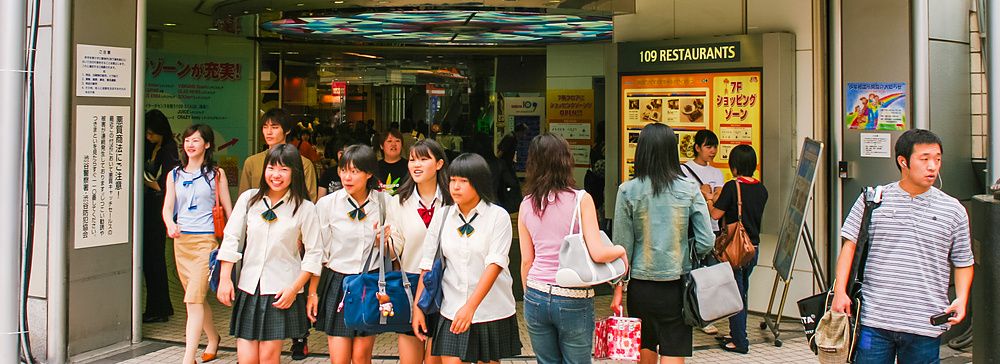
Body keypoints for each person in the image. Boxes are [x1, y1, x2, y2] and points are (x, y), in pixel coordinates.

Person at [831, 129, 974, 363]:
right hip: (874, 320)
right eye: (924, 158)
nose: (932, 166)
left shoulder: (953, 210)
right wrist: (840, 292)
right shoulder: (873, 199)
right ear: (903, 161)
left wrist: (961, 298)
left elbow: (963, 261)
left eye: (937, 159)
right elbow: (849, 247)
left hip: (925, 322)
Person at [518, 134, 627, 364]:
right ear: (566, 161)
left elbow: (527, 260)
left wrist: (530, 297)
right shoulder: (581, 200)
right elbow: (598, 252)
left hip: (535, 293)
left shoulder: (526, 203)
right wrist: (620, 250)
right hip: (572, 296)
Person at [612, 123, 714, 364]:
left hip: (640, 286)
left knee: (645, 344)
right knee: (673, 345)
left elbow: (622, 248)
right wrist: (687, 253)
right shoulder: (689, 188)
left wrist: (618, 286)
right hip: (677, 286)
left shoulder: (627, 190)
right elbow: (706, 240)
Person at [215, 144, 323, 364]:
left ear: (295, 172)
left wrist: (295, 290)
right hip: (248, 286)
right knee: (246, 359)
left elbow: (314, 254)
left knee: (268, 358)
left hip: (281, 291)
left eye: (284, 169)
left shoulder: (304, 207)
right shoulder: (249, 199)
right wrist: (224, 279)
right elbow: (231, 238)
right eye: (271, 168)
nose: (276, 175)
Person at [414, 153, 522, 364]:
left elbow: (495, 264)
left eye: (463, 181)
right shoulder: (442, 215)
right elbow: (428, 264)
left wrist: (470, 307)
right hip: (451, 308)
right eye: (453, 180)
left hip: (491, 310)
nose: (455, 186)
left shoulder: (497, 217)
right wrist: (418, 308)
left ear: (479, 183)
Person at [161, 124, 232, 363]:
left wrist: (234, 240)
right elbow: (168, 207)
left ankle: (187, 357)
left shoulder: (216, 174)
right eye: (187, 140)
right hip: (181, 242)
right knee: (196, 298)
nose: (190, 145)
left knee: (193, 299)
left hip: (205, 242)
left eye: (196, 140)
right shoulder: (174, 174)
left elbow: (228, 210)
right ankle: (213, 338)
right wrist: (170, 224)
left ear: (207, 145)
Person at [313, 144, 383, 364]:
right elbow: (318, 252)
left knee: (362, 357)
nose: (347, 177)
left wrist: (386, 241)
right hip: (337, 281)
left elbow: (396, 246)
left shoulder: (384, 203)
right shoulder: (326, 205)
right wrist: (312, 293)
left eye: (355, 171)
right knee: (340, 358)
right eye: (344, 170)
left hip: (369, 280)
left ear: (369, 173)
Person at [388, 139, 453, 364]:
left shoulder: (452, 201)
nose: (416, 164)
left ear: (439, 164)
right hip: (410, 282)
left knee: (435, 358)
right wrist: (384, 241)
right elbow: (395, 247)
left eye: (424, 159)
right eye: (413, 159)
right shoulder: (398, 202)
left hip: (446, 285)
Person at [707, 144, 768, 354]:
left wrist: (708, 198)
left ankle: (739, 342)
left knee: (736, 295)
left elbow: (715, 214)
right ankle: (736, 334)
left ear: (734, 167)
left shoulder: (733, 187)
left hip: (735, 249)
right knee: (741, 292)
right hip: (753, 248)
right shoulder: (761, 189)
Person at [142, 109, 178, 323]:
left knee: (154, 259)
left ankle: (159, 308)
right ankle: (159, 306)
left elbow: (166, 185)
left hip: (159, 209)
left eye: (151, 133)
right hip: (149, 206)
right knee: (151, 260)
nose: (148, 137)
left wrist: (144, 181)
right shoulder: (153, 146)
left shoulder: (169, 149)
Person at [239, 108, 318, 202]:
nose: (269, 132)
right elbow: (244, 199)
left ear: (287, 130)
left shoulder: (304, 163)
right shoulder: (251, 162)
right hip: (257, 214)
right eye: (265, 127)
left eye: (274, 127)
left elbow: (310, 200)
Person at [494, 125, 523, 212]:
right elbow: (501, 151)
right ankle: (512, 205)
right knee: (511, 184)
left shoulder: (512, 137)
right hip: (505, 165)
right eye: (524, 133)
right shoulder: (510, 138)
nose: (524, 135)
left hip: (507, 165)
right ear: (520, 131)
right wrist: (497, 162)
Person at [378, 129, 410, 195]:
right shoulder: (374, 167)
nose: (393, 144)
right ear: (381, 146)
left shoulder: (410, 166)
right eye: (389, 141)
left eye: (397, 141)